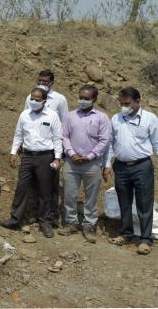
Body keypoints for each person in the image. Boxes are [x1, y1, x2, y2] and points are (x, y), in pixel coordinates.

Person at [0, 88, 62, 238]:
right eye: (32, 99)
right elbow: (18, 134)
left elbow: (57, 138)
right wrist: (13, 152)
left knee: (45, 191)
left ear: (44, 101)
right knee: (22, 187)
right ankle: (15, 219)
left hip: (45, 157)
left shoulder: (53, 116)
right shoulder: (24, 115)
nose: (33, 101)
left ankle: (45, 222)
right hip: (27, 156)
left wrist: (58, 158)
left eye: (37, 99)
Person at [103, 87, 158, 255]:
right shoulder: (116, 118)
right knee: (124, 202)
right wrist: (107, 164)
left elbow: (156, 143)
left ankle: (145, 239)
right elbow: (111, 144)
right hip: (121, 166)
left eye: (127, 103)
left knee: (144, 203)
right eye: (121, 103)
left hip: (142, 166)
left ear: (138, 101)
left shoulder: (150, 118)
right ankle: (126, 234)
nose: (123, 107)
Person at [59, 85, 111, 243]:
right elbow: (64, 136)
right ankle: (71, 223)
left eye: (86, 98)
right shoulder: (70, 115)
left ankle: (89, 225)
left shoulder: (102, 118)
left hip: (92, 164)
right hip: (71, 162)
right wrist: (72, 154)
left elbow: (104, 141)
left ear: (94, 99)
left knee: (91, 197)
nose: (82, 100)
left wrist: (89, 156)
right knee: (69, 194)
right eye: (80, 97)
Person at [24, 69, 68, 227]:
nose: (41, 84)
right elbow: (26, 118)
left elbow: (64, 124)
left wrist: (59, 152)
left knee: (51, 185)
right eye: (39, 81)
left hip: (50, 150)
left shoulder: (59, 99)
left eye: (45, 82)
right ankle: (35, 214)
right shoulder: (31, 97)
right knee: (34, 184)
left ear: (52, 83)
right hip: (33, 147)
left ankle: (52, 216)